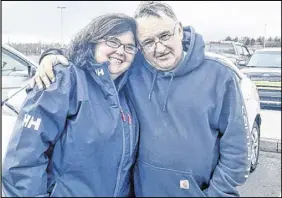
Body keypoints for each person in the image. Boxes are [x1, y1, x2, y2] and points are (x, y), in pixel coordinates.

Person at [32, 1, 251, 197]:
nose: (159, 47)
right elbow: (92, 55)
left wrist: (218, 193)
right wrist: (52, 55)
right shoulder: (133, 70)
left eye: (165, 36)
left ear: (179, 29)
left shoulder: (219, 76)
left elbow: (237, 150)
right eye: (148, 42)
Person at [2, 13, 140, 197]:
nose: (121, 51)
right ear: (93, 41)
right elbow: (23, 159)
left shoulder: (127, 92)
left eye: (129, 47)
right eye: (113, 41)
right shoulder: (64, 79)